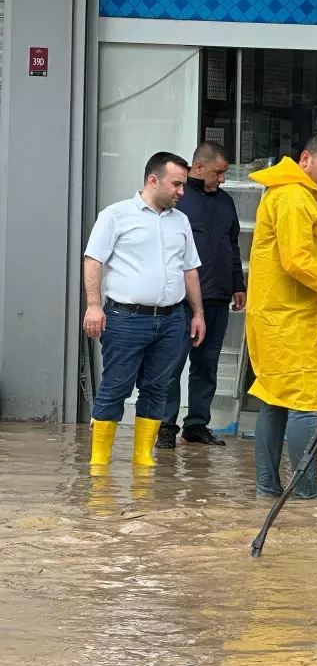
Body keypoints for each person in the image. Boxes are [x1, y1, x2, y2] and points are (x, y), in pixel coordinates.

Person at [246, 132, 317, 500]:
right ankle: (307, 494)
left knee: (276, 402)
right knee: (304, 406)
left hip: (281, 318)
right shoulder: (295, 196)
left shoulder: (294, 193)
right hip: (294, 320)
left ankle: (267, 489)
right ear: (305, 159)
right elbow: (297, 260)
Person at [82, 152, 206, 469]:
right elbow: (93, 260)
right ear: (153, 180)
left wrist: (198, 314)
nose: (182, 191)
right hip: (125, 319)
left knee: (157, 389)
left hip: (171, 321)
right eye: (176, 184)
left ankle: (142, 457)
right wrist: (94, 306)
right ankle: (99, 460)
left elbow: (189, 270)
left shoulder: (181, 221)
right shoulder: (115, 215)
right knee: (116, 387)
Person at [158, 142, 246, 450]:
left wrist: (238, 283)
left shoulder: (225, 203)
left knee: (207, 364)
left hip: (219, 296)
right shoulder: (179, 201)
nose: (222, 179)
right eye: (217, 172)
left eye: (224, 173)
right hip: (182, 300)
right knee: (173, 362)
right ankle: (166, 425)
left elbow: (232, 245)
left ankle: (196, 425)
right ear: (199, 168)